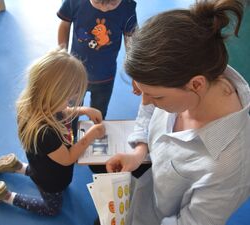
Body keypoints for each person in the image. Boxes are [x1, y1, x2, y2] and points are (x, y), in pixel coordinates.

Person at [106, 0, 250, 224]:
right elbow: (148, 109)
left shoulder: (229, 164)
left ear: (196, 85)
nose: (145, 102)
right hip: (143, 195)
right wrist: (139, 152)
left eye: (156, 96)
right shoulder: (176, 84)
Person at [0, 48, 105, 216]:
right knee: (51, 209)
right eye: (68, 99)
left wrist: (84, 110)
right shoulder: (45, 134)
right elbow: (68, 158)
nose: (70, 103)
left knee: (37, 171)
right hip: (50, 180)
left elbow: (62, 112)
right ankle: (5, 195)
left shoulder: (36, 105)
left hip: (41, 165)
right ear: (53, 95)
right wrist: (91, 134)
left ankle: (16, 166)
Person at [57, 0, 137, 144]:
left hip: (105, 76)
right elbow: (65, 24)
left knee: (99, 111)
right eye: (99, 2)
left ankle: (94, 137)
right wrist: (61, 53)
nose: (105, 8)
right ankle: (69, 137)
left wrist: (136, 72)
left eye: (112, 3)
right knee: (70, 111)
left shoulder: (127, 6)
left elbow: (130, 37)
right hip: (75, 75)